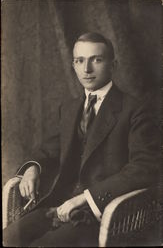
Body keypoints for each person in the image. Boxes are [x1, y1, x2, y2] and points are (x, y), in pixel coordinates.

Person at [3, 32, 161, 247]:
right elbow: (51, 149)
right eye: (79, 61)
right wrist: (32, 168)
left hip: (101, 215)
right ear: (74, 65)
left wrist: (85, 198)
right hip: (57, 206)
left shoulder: (135, 110)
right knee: (9, 238)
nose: (86, 69)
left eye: (96, 60)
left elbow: (146, 167)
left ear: (113, 65)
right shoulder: (70, 109)